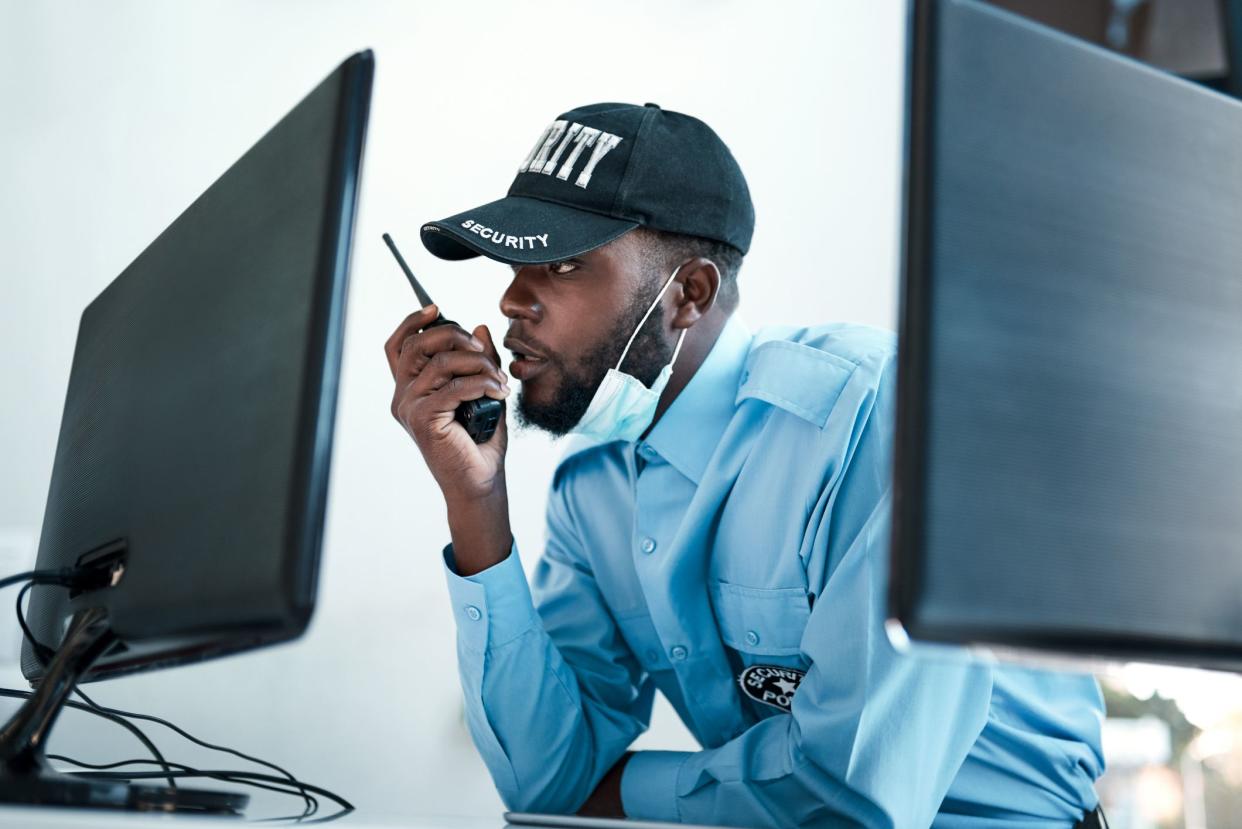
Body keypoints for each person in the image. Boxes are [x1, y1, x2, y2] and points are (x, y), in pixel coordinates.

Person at [385, 102, 1107, 828]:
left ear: (688, 294)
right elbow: (546, 780)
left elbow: (852, 805)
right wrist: (476, 503)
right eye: (514, 265)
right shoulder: (593, 486)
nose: (512, 299)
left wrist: (626, 793)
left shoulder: (878, 419)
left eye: (564, 263)